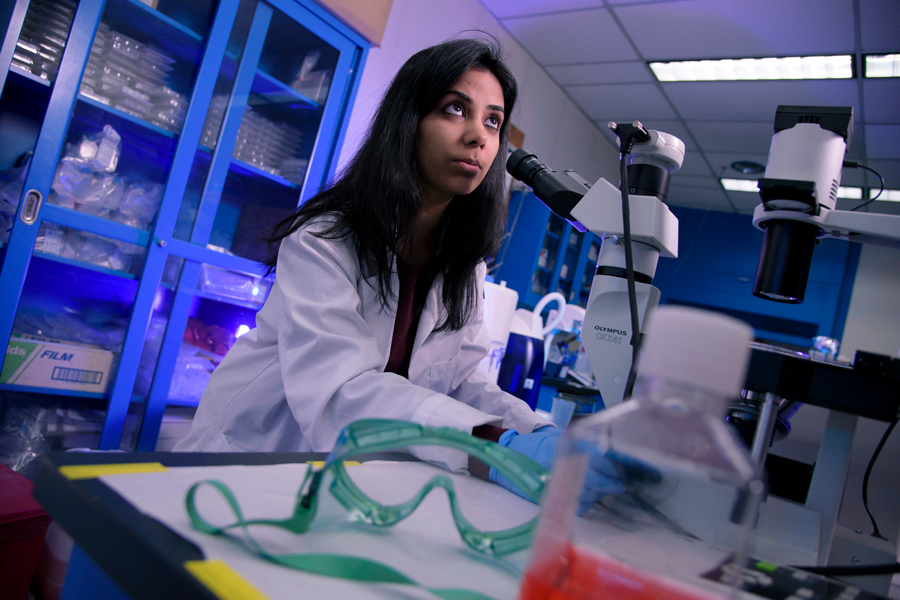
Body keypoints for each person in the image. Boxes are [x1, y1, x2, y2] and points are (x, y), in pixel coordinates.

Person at [174, 38, 623, 505]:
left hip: (346, 479)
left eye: (493, 120)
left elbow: (466, 380)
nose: (479, 136)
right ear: (408, 122)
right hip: (249, 462)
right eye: (455, 109)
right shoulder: (323, 241)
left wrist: (545, 435)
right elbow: (341, 393)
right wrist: (492, 446)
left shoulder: (463, 267)